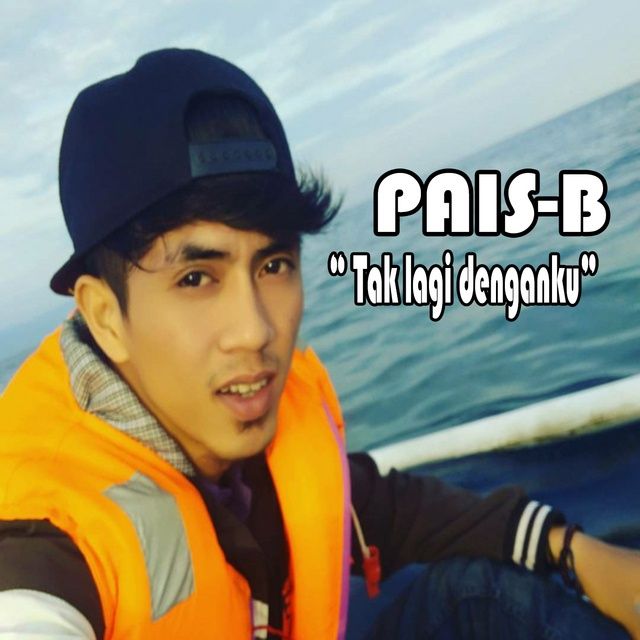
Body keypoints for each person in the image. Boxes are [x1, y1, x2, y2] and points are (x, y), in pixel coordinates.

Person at [0, 48, 638, 640]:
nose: (256, 330)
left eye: (274, 264)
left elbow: (380, 506)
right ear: (106, 317)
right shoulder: (44, 536)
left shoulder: (249, 433)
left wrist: (575, 552)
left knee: (484, 598)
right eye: (196, 278)